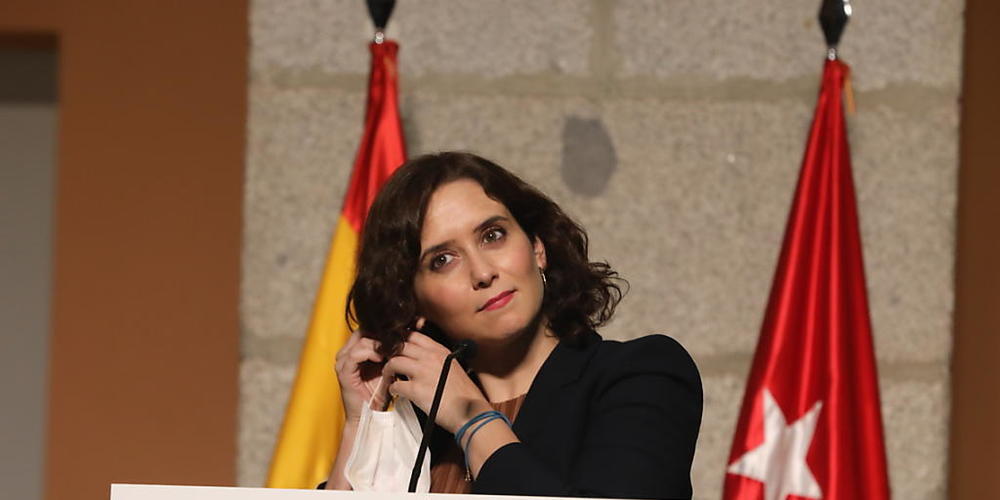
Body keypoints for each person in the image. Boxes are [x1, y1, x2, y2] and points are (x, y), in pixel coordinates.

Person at [323, 152, 702, 498]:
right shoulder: (416, 426)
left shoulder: (642, 374)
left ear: (537, 246)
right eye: (443, 260)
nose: (483, 272)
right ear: (414, 301)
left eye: (493, 235)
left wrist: (471, 417)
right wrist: (362, 424)